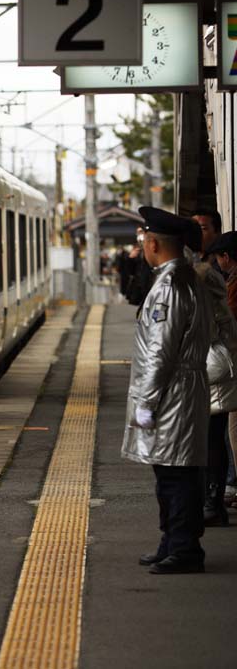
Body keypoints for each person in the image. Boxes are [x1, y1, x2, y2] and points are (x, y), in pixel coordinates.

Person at [123, 207, 212, 574]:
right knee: (174, 471)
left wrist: (146, 401)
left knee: (176, 474)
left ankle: (184, 549)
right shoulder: (185, 278)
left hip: (172, 391)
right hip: (182, 387)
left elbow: (159, 350)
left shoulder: (169, 287)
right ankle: (173, 541)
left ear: (153, 243)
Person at [183, 220, 237, 526]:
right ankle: (212, 501)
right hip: (217, 366)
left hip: (211, 368)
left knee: (210, 439)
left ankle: (212, 503)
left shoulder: (199, 277)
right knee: (213, 438)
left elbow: (206, 326)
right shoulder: (209, 275)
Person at [207, 230, 237, 507]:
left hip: (228, 372)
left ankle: (229, 486)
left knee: (228, 433)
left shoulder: (232, 286)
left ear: (226, 257)